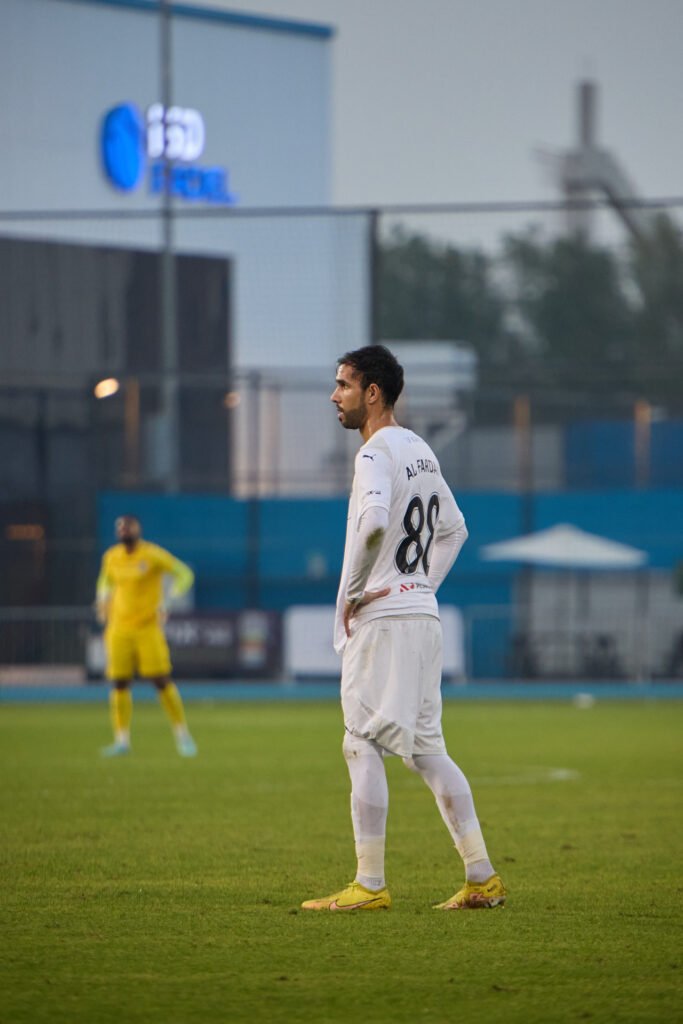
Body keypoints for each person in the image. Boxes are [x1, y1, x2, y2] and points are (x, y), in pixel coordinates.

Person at [302, 345, 505, 912]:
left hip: (385, 621)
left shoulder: (374, 453)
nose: (334, 396)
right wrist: (420, 587)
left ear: (372, 393)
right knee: (426, 751)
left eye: (344, 385)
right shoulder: (420, 449)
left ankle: (369, 885)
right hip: (420, 616)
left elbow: (373, 525)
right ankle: (482, 877)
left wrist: (355, 592)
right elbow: (455, 530)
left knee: (359, 741)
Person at [95, 515, 198, 758]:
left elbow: (184, 574)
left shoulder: (152, 554)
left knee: (160, 680)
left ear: (138, 529)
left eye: (128, 527)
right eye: (120, 527)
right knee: (119, 683)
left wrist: (170, 600)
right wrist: (102, 599)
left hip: (147, 627)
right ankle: (121, 740)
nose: (124, 531)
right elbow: (105, 581)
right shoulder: (111, 557)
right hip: (118, 628)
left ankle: (182, 735)